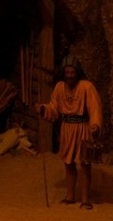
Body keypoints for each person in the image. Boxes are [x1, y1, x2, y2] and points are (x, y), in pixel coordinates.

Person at [37, 55, 103, 210]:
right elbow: (53, 108)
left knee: (85, 164)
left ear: (77, 72)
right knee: (68, 163)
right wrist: (44, 109)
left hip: (82, 128)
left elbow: (95, 108)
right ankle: (70, 196)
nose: (69, 76)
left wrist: (95, 125)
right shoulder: (59, 87)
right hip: (67, 129)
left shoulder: (86, 87)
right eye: (67, 72)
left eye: (72, 72)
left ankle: (85, 199)